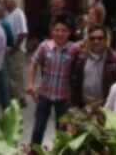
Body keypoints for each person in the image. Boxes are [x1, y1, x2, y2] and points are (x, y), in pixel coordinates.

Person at [28, 15, 77, 146]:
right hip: (44, 95)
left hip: (63, 98)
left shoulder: (74, 49)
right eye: (57, 29)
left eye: (64, 30)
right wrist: (30, 84)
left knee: (61, 131)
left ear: (69, 32)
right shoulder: (44, 46)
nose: (60, 33)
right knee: (38, 129)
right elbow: (33, 63)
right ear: (52, 30)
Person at [69, 24, 116, 108]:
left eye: (100, 38)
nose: (96, 41)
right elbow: (74, 82)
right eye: (92, 38)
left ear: (106, 39)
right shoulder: (80, 58)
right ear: (88, 40)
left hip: (107, 107)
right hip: (84, 107)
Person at [4, 0, 29, 105]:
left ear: (13, 2)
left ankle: (20, 97)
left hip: (16, 49)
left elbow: (23, 32)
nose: (4, 4)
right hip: (9, 49)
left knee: (17, 73)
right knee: (12, 74)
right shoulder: (9, 15)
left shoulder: (18, 13)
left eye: (6, 2)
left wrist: (16, 46)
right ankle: (15, 96)